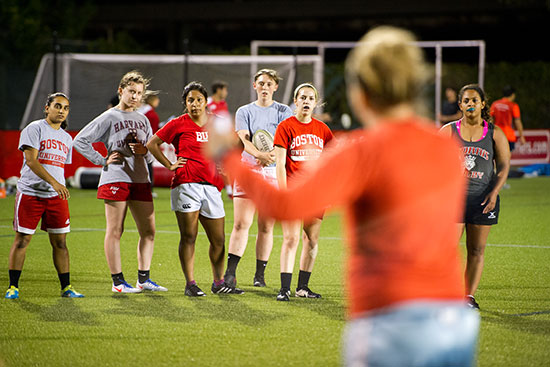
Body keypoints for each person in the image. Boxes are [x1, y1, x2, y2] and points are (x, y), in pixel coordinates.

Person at [207, 26, 480, 367]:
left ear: (361, 94)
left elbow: (285, 205)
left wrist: (229, 156)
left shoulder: (362, 152)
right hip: (452, 319)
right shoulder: (443, 146)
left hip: (389, 319)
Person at [74, 70, 167, 293]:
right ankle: (117, 282)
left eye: (139, 93)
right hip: (115, 177)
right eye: (131, 91)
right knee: (115, 230)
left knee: (149, 231)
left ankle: (143, 279)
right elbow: (80, 140)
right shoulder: (109, 116)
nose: (135, 96)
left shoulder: (143, 119)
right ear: (120, 90)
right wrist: (102, 160)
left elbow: (151, 155)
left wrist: (144, 151)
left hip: (140, 178)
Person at [147, 81, 241, 296]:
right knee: (189, 236)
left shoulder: (217, 123)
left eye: (199, 100)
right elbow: (153, 144)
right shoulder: (178, 123)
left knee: (218, 241)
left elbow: (235, 145)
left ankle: (218, 283)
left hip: (212, 186)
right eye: (191, 100)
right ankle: (190, 284)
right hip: (186, 184)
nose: (195, 104)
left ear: (205, 102)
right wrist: (169, 164)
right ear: (185, 103)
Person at [5, 93, 84, 299]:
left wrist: (57, 184)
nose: (61, 111)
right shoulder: (34, 128)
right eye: (57, 106)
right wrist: (54, 183)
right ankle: (13, 287)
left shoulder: (67, 138)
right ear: (46, 108)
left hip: (55, 197)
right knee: (22, 240)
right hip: (30, 193)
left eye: (65, 108)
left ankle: (66, 288)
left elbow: (58, 167)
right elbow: (31, 161)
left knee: (60, 243)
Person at [441, 84, 511, 310]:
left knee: (477, 250)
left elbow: (503, 165)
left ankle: (467, 297)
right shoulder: (448, 131)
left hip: (483, 200)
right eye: (466, 101)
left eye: (475, 100)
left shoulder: (494, 133)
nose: (471, 104)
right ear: (460, 105)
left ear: (482, 103)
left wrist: (494, 192)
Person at [223, 69, 293, 289]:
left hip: (273, 173)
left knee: (266, 226)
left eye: (269, 83)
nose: (265, 87)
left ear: (275, 87)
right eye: (261, 83)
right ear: (254, 86)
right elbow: (244, 139)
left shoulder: (284, 110)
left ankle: (259, 276)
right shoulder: (244, 111)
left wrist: (270, 156)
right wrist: (259, 155)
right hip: (248, 171)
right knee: (241, 223)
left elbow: (284, 141)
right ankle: (230, 274)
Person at [273, 83, 334, 301]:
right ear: (295, 101)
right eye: (303, 97)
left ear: (316, 103)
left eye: (310, 98)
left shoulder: (322, 129)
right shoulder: (285, 127)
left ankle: (302, 288)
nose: (306, 101)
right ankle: (284, 289)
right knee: (291, 239)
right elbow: (279, 165)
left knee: (312, 240)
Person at [137, 91, 161, 193]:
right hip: (146, 143)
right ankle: (148, 189)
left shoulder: (140, 111)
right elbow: (154, 131)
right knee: (148, 165)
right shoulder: (151, 114)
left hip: (136, 141)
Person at [490, 85, 526, 152]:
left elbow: (490, 119)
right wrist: (521, 136)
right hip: (508, 136)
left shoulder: (495, 104)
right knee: (507, 158)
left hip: (497, 135)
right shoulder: (513, 106)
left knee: (496, 156)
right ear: (512, 95)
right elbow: (517, 121)